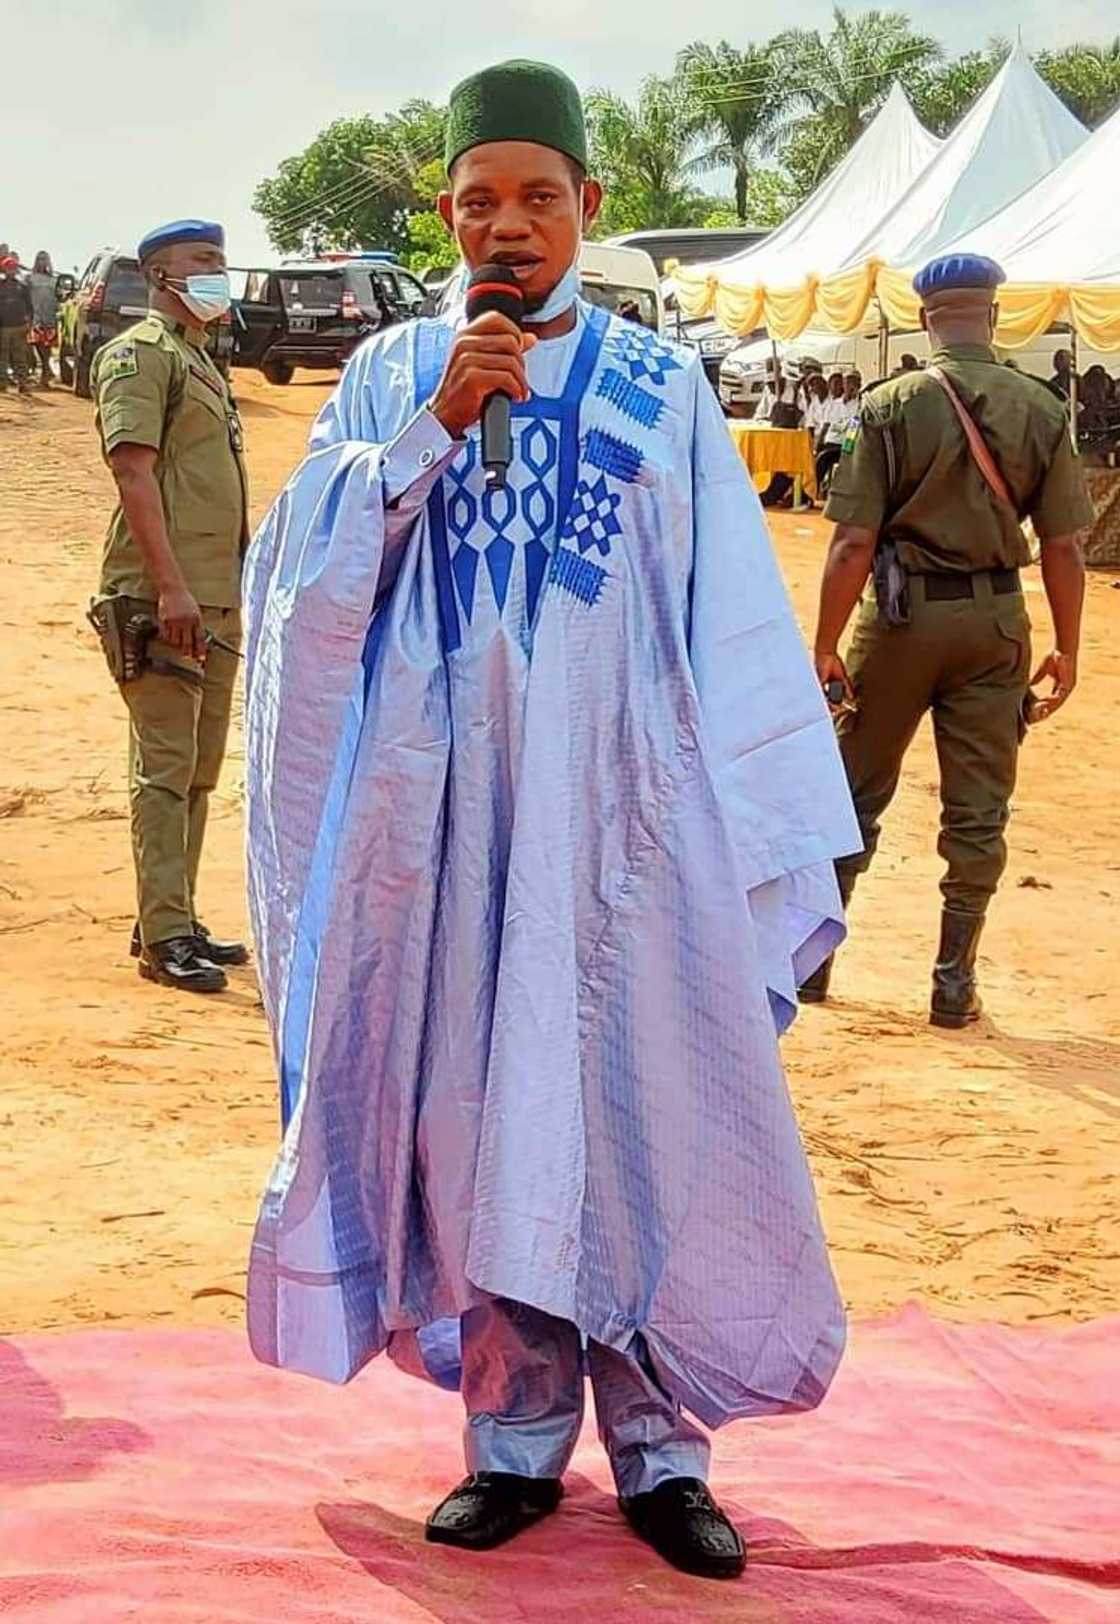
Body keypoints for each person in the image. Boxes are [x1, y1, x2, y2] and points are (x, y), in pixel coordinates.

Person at [243, 58, 858, 1581]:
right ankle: (513, 1445)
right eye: (477, 203)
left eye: (537, 199)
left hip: (633, 837)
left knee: (645, 1111)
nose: (506, 228)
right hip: (446, 830)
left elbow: (732, 623)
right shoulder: (391, 371)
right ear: (444, 217)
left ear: (590, 206)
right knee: (480, 1112)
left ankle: (663, 1456)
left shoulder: (667, 386)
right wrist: (432, 432)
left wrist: (764, 827)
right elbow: (302, 585)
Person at [806, 253, 1089, 1025]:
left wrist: (827, 644)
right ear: (993, 316)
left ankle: (813, 964)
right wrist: (1068, 645)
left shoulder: (889, 404)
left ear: (926, 318)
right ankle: (952, 981)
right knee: (978, 810)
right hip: (996, 623)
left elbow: (851, 544)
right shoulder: (1040, 408)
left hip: (897, 623)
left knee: (854, 792)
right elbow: (1063, 548)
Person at [90, 219, 250, 992]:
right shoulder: (138, 357)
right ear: (160, 276)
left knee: (197, 773)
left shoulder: (201, 362)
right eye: (203, 262)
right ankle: (164, 939)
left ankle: (172, 917)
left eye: (221, 261)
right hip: (164, 599)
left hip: (214, 599)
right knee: (162, 769)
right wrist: (171, 587)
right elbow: (133, 473)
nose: (218, 274)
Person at [815, 369, 861, 492]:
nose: (849, 386)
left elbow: (853, 428)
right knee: (816, 458)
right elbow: (826, 425)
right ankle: (810, 491)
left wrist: (847, 448)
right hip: (830, 442)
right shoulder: (835, 404)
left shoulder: (860, 405)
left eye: (853, 382)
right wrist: (818, 444)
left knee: (824, 458)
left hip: (845, 445)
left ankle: (808, 494)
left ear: (858, 385)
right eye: (847, 382)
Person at [0, 254, 34, 396]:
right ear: (3, 269)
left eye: (13, 268)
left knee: (20, 356)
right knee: (2, 357)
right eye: (8, 268)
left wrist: (29, 323)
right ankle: (2, 383)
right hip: (3, 327)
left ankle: (23, 384)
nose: (10, 270)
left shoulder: (22, 285)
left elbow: (29, 306)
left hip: (19, 326)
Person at [28, 251, 59, 388]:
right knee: (37, 345)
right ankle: (46, 371)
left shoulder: (54, 280)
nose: (42, 262)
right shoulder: (30, 279)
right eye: (40, 259)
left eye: (44, 259)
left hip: (50, 317)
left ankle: (45, 375)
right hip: (36, 317)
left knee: (47, 347)